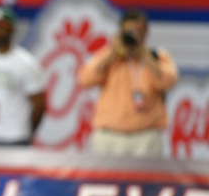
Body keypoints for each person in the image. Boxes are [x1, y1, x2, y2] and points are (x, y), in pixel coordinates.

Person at [77, 9, 179, 158]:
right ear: (121, 32)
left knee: (146, 180)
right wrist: (112, 53)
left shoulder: (157, 56)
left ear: (146, 32)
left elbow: (168, 82)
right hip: (109, 137)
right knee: (105, 180)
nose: (134, 35)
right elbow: (84, 79)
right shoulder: (110, 56)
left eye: (138, 31)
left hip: (145, 137)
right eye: (130, 31)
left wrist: (144, 56)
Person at [0, 6, 45, 146]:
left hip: (16, 136)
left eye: (0, 26)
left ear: (11, 28)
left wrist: (27, 131)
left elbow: (39, 105)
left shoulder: (26, 63)